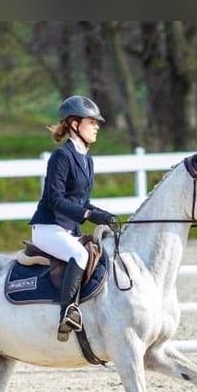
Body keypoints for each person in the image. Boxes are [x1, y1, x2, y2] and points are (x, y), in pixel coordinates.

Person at [29, 95, 117, 342]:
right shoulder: (62, 156)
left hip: (69, 229)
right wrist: (88, 214)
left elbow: (80, 201)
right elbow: (55, 199)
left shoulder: (87, 160)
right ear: (75, 124)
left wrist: (100, 213)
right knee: (80, 255)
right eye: (92, 122)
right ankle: (67, 311)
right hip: (48, 228)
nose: (97, 126)